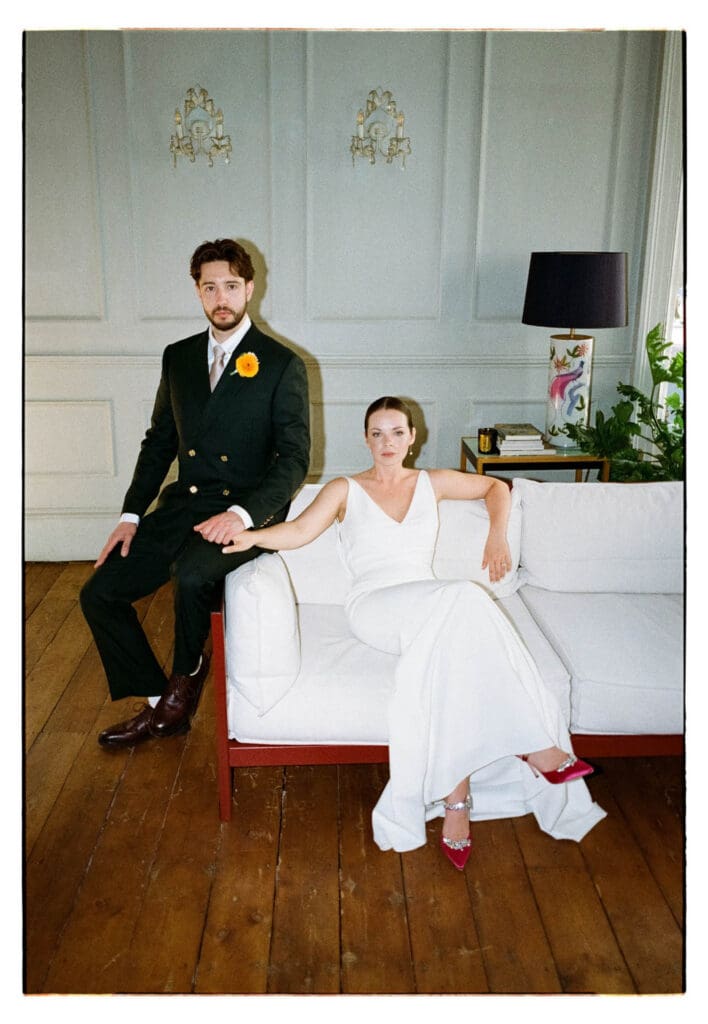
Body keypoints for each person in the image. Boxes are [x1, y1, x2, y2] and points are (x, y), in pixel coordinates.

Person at [221, 396, 605, 869]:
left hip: (428, 601)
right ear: (365, 439)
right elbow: (299, 531)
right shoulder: (345, 489)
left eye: (397, 432)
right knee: (465, 596)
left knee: (452, 652)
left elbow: (497, 489)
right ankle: (530, 745)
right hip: (375, 607)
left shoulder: (432, 482)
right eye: (377, 433)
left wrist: (497, 535)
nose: (387, 442)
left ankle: (455, 800)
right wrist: (252, 537)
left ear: (412, 438)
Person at [80, 239, 310, 748]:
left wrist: (243, 515)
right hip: (182, 505)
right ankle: (158, 701)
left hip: (241, 509)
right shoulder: (179, 357)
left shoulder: (280, 364)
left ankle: (186, 680)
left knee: (190, 576)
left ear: (250, 288)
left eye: (231, 285)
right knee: (98, 592)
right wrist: (131, 515)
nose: (220, 298)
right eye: (210, 287)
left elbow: (293, 460)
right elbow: (160, 440)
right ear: (198, 292)